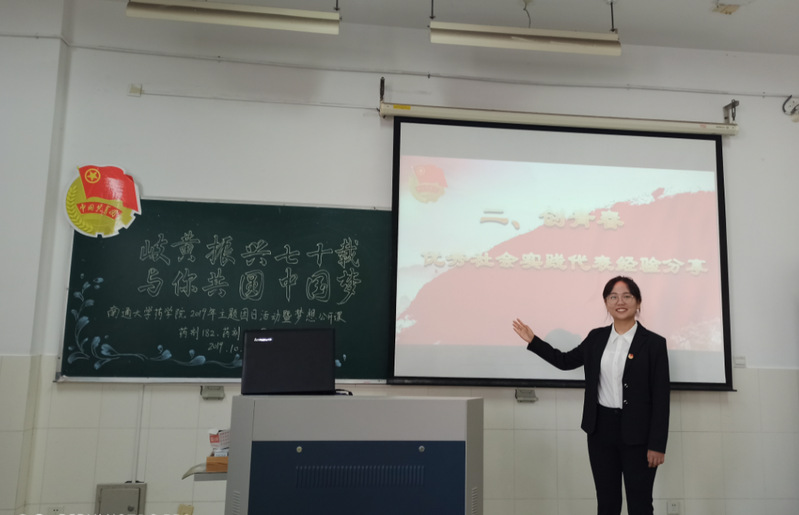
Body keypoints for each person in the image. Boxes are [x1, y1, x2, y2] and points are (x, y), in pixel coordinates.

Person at [512, 276, 670, 515]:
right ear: (606, 303)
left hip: (639, 435)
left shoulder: (654, 343)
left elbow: (661, 398)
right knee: (606, 502)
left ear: (638, 302)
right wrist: (534, 341)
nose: (620, 302)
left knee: (640, 504)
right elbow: (565, 361)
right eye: (613, 297)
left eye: (627, 296)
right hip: (601, 431)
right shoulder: (596, 338)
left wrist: (657, 444)